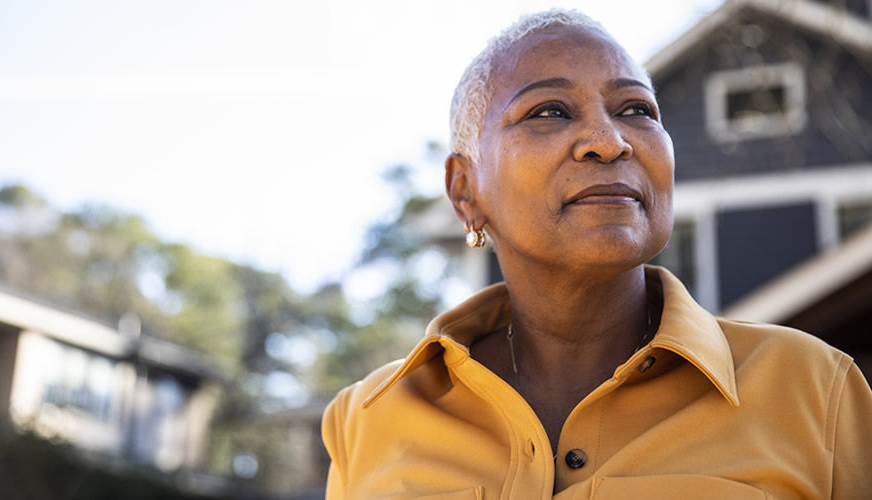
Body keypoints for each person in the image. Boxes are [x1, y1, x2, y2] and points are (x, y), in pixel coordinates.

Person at [321, 9, 872, 499]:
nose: (609, 141)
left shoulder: (813, 391)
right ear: (465, 190)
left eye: (637, 109)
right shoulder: (366, 419)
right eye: (549, 112)